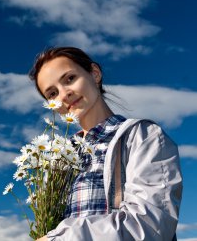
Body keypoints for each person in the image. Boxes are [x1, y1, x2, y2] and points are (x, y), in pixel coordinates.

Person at [29, 47, 183, 241]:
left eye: (69, 79)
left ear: (94, 74)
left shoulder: (142, 137)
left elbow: (149, 225)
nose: (63, 94)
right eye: (52, 94)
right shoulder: (59, 162)